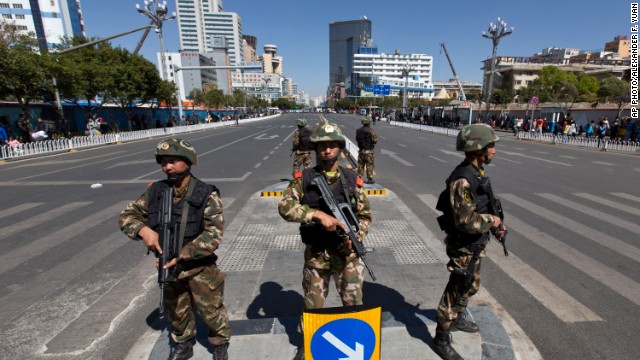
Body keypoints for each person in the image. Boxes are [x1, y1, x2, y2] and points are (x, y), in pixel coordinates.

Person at [119, 138, 231, 360]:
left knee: (210, 311)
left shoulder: (206, 194)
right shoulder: (156, 192)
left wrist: (181, 254)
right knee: (176, 310)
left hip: (200, 267)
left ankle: (219, 343)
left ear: (188, 162)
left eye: (173, 161)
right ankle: (183, 343)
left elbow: (213, 235)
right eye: (163, 162)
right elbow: (127, 216)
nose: (167, 167)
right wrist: (144, 231)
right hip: (168, 266)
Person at [278, 118, 372, 360]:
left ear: (339, 147)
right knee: (313, 307)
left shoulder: (352, 179)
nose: (327, 150)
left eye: (332, 145)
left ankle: (355, 346)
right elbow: (285, 206)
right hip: (317, 256)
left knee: (354, 305)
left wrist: (358, 234)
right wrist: (315, 214)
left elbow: (365, 215)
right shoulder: (303, 178)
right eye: (321, 145)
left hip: (348, 256)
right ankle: (307, 344)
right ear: (315, 149)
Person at [432, 124, 507, 360]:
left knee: (470, 286)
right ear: (477, 149)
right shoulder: (462, 180)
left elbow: (484, 206)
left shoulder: (478, 173)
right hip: (464, 244)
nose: (494, 151)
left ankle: (458, 316)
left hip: (475, 243)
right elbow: (465, 221)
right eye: (491, 146)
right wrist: (492, 221)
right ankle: (441, 337)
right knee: (456, 290)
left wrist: (497, 226)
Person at [356, 117, 378, 184]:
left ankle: (359, 178)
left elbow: (357, 139)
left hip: (361, 151)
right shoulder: (370, 130)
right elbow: (375, 140)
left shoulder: (358, 130)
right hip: (369, 152)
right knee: (369, 165)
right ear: (369, 123)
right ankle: (370, 179)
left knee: (360, 164)